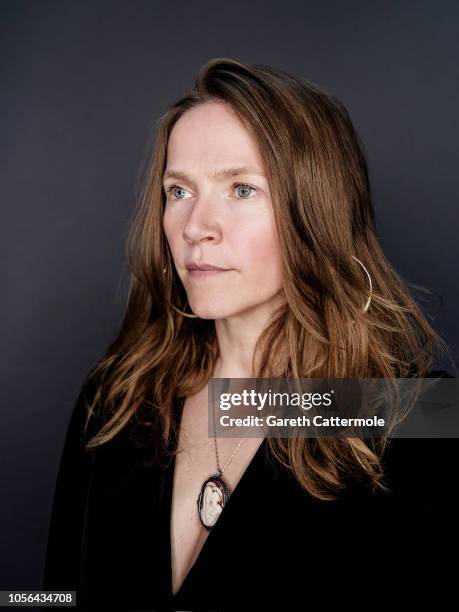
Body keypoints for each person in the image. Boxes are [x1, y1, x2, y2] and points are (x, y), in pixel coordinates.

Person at [42, 57, 457, 611]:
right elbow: (54, 597)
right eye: (179, 190)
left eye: (241, 189)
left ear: (317, 211)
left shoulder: (412, 415)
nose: (195, 227)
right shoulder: (116, 400)